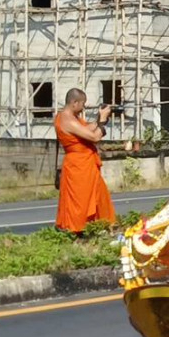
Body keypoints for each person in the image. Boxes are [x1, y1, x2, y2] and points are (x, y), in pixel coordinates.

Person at [53, 88, 115, 232]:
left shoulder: (71, 118)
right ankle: (78, 229)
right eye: (82, 104)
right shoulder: (66, 119)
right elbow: (94, 137)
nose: (83, 107)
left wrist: (99, 119)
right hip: (78, 165)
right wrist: (103, 122)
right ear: (74, 103)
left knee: (98, 195)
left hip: (85, 163)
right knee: (81, 200)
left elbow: (86, 129)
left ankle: (100, 225)